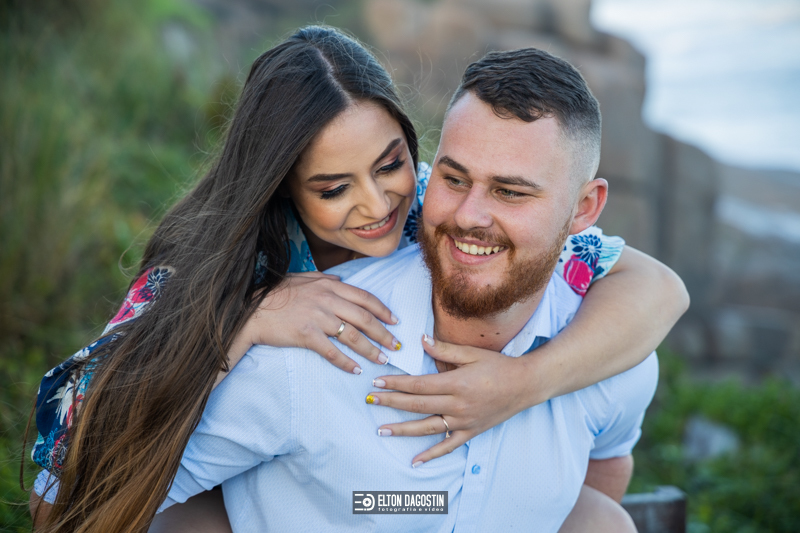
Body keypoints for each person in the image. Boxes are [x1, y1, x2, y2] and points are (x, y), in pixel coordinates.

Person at [28, 27, 687, 532]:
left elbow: (658, 289)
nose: (376, 205)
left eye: (390, 163)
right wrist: (242, 319)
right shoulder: (212, 277)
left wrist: (522, 384)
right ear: (283, 187)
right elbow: (76, 446)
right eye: (333, 188)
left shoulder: (432, 204)